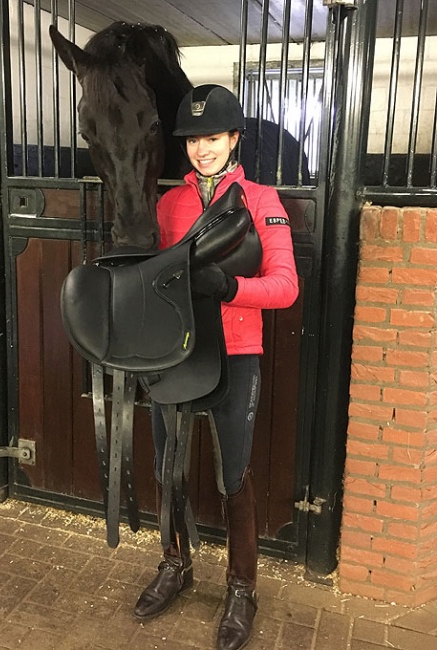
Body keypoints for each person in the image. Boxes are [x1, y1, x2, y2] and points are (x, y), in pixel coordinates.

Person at [133, 84, 299, 650]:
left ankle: (242, 588)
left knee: (233, 476)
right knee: (166, 467)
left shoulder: (261, 199)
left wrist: (228, 286)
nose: (201, 149)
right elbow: (151, 278)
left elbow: (285, 287)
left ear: (233, 139)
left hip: (234, 353)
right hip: (173, 354)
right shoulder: (169, 204)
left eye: (212, 137)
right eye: (193, 140)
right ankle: (174, 563)